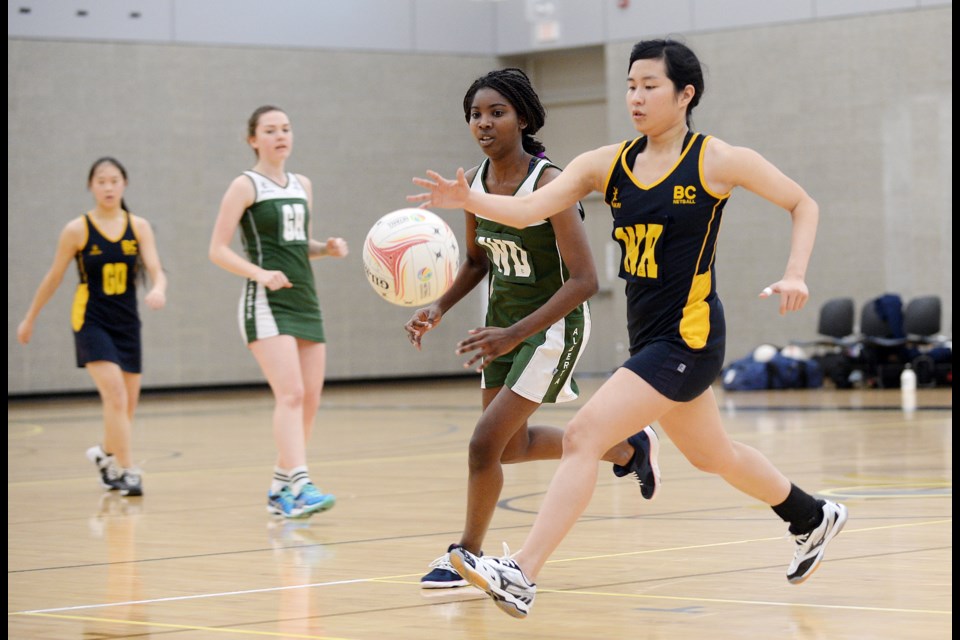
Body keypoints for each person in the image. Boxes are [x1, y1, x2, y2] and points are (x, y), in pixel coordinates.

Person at [409, 39, 848, 618]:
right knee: (713, 454)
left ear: (685, 94)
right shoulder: (607, 163)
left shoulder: (715, 160)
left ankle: (521, 574)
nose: (636, 97)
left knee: (584, 435)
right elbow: (527, 210)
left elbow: (803, 203)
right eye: (631, 86)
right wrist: (471, 199)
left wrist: (795, 274)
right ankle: (811, 515)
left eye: (650, 86)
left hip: (688, 337)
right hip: (651, 340)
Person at [405, 68, 660, 590]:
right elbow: (477, 261)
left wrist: (516, 333)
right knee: (510, 447)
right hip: (501, 325)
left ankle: (466, 554)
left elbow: (586, 280)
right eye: (475, 115)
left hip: (552, 327)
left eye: (496, 112)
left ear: (522, 117)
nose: (484, 123)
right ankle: (626, 448)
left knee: (482, 446)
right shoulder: (474, 184)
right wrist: (439, 307)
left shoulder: (549, 183)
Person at [209, 105, 348, 519]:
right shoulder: (244, 185)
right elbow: (216, 249)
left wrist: (326, 248)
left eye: (286, 128)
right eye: (270, 130)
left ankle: (279, 488)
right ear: (254, 139)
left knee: (309, 400)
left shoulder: (302, 183)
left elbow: (296, 242)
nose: (280, 135)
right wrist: (260, 273)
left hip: (305, 296)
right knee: (289, 394)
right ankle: (301, 484)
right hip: (265, 301)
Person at [17, 156, 167, 497]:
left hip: (127, 324)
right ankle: (128, 470)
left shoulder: (138, 227)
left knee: (125, 408)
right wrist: (30, 317)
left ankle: (104, 455)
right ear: (91, 187)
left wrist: (159, 288)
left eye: (114, 180)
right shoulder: (77, 230)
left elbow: (156, 269)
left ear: (124, 184)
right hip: (91, 321)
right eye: (101, 181)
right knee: (114, 395)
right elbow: (53, 277)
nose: (108, 187)